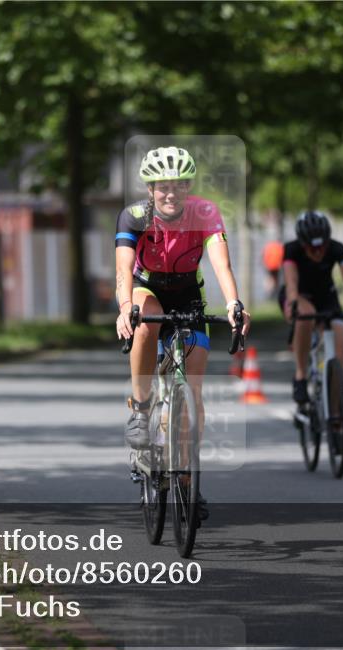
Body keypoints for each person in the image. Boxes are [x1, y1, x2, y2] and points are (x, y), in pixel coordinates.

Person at [114, 146, 251, 518]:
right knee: (146, 317)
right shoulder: (134, 216)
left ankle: (188, 482)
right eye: (162, 186)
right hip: (147, 288)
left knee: (193, 391)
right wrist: (126, 308)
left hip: (190, 293)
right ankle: (142, 410)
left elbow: (221, 264)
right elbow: (124, 269)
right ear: (150, 188)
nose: (170, 193)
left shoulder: (204, 213)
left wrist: (233, 304)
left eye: (178, 185)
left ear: (189, 187)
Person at [280, 211, 343, 405]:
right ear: (302, 243)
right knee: (306, 314)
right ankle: (301, 376)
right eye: (312, 249)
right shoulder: (291, 249)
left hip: (326, 297)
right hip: (299, 296)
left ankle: (335, 407)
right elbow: (291, 280)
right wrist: (293, 302)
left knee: (338, 333)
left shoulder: (337, 248)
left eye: (322, 247)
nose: (318, 252)